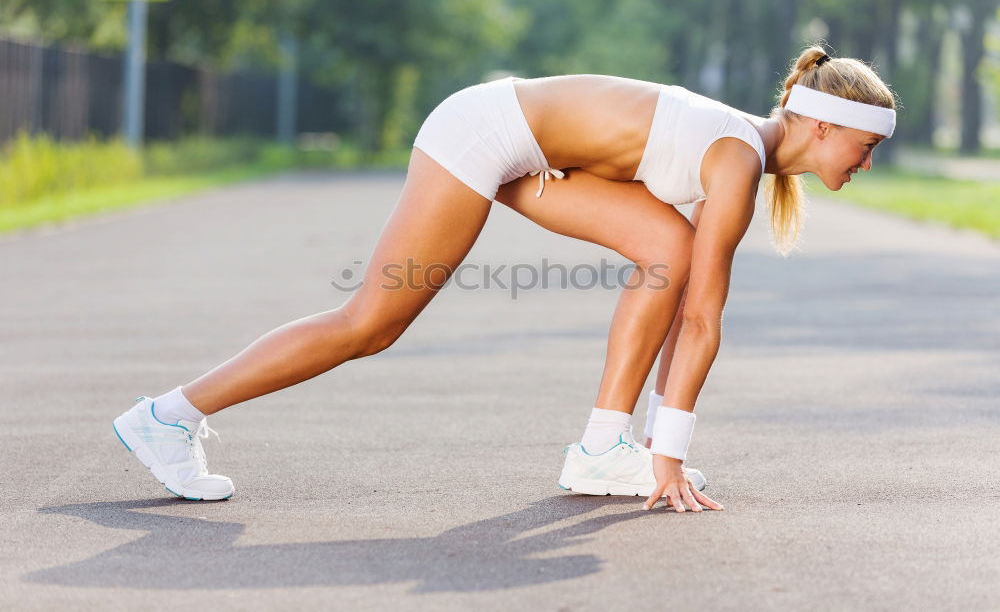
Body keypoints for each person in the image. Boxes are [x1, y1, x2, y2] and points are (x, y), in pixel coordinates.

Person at [112, 45, 896, 514]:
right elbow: (700, 320)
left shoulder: (741, 155)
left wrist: (661, 442)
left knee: (670, 245)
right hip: (485, 131)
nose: (865, 165)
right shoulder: (737, 157)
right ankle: (167, 416)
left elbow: (685, 292)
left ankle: (599, 449)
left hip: (528, 149)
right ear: (823, 124)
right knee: (371, 324)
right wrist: (672, 454)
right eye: (864, 148)